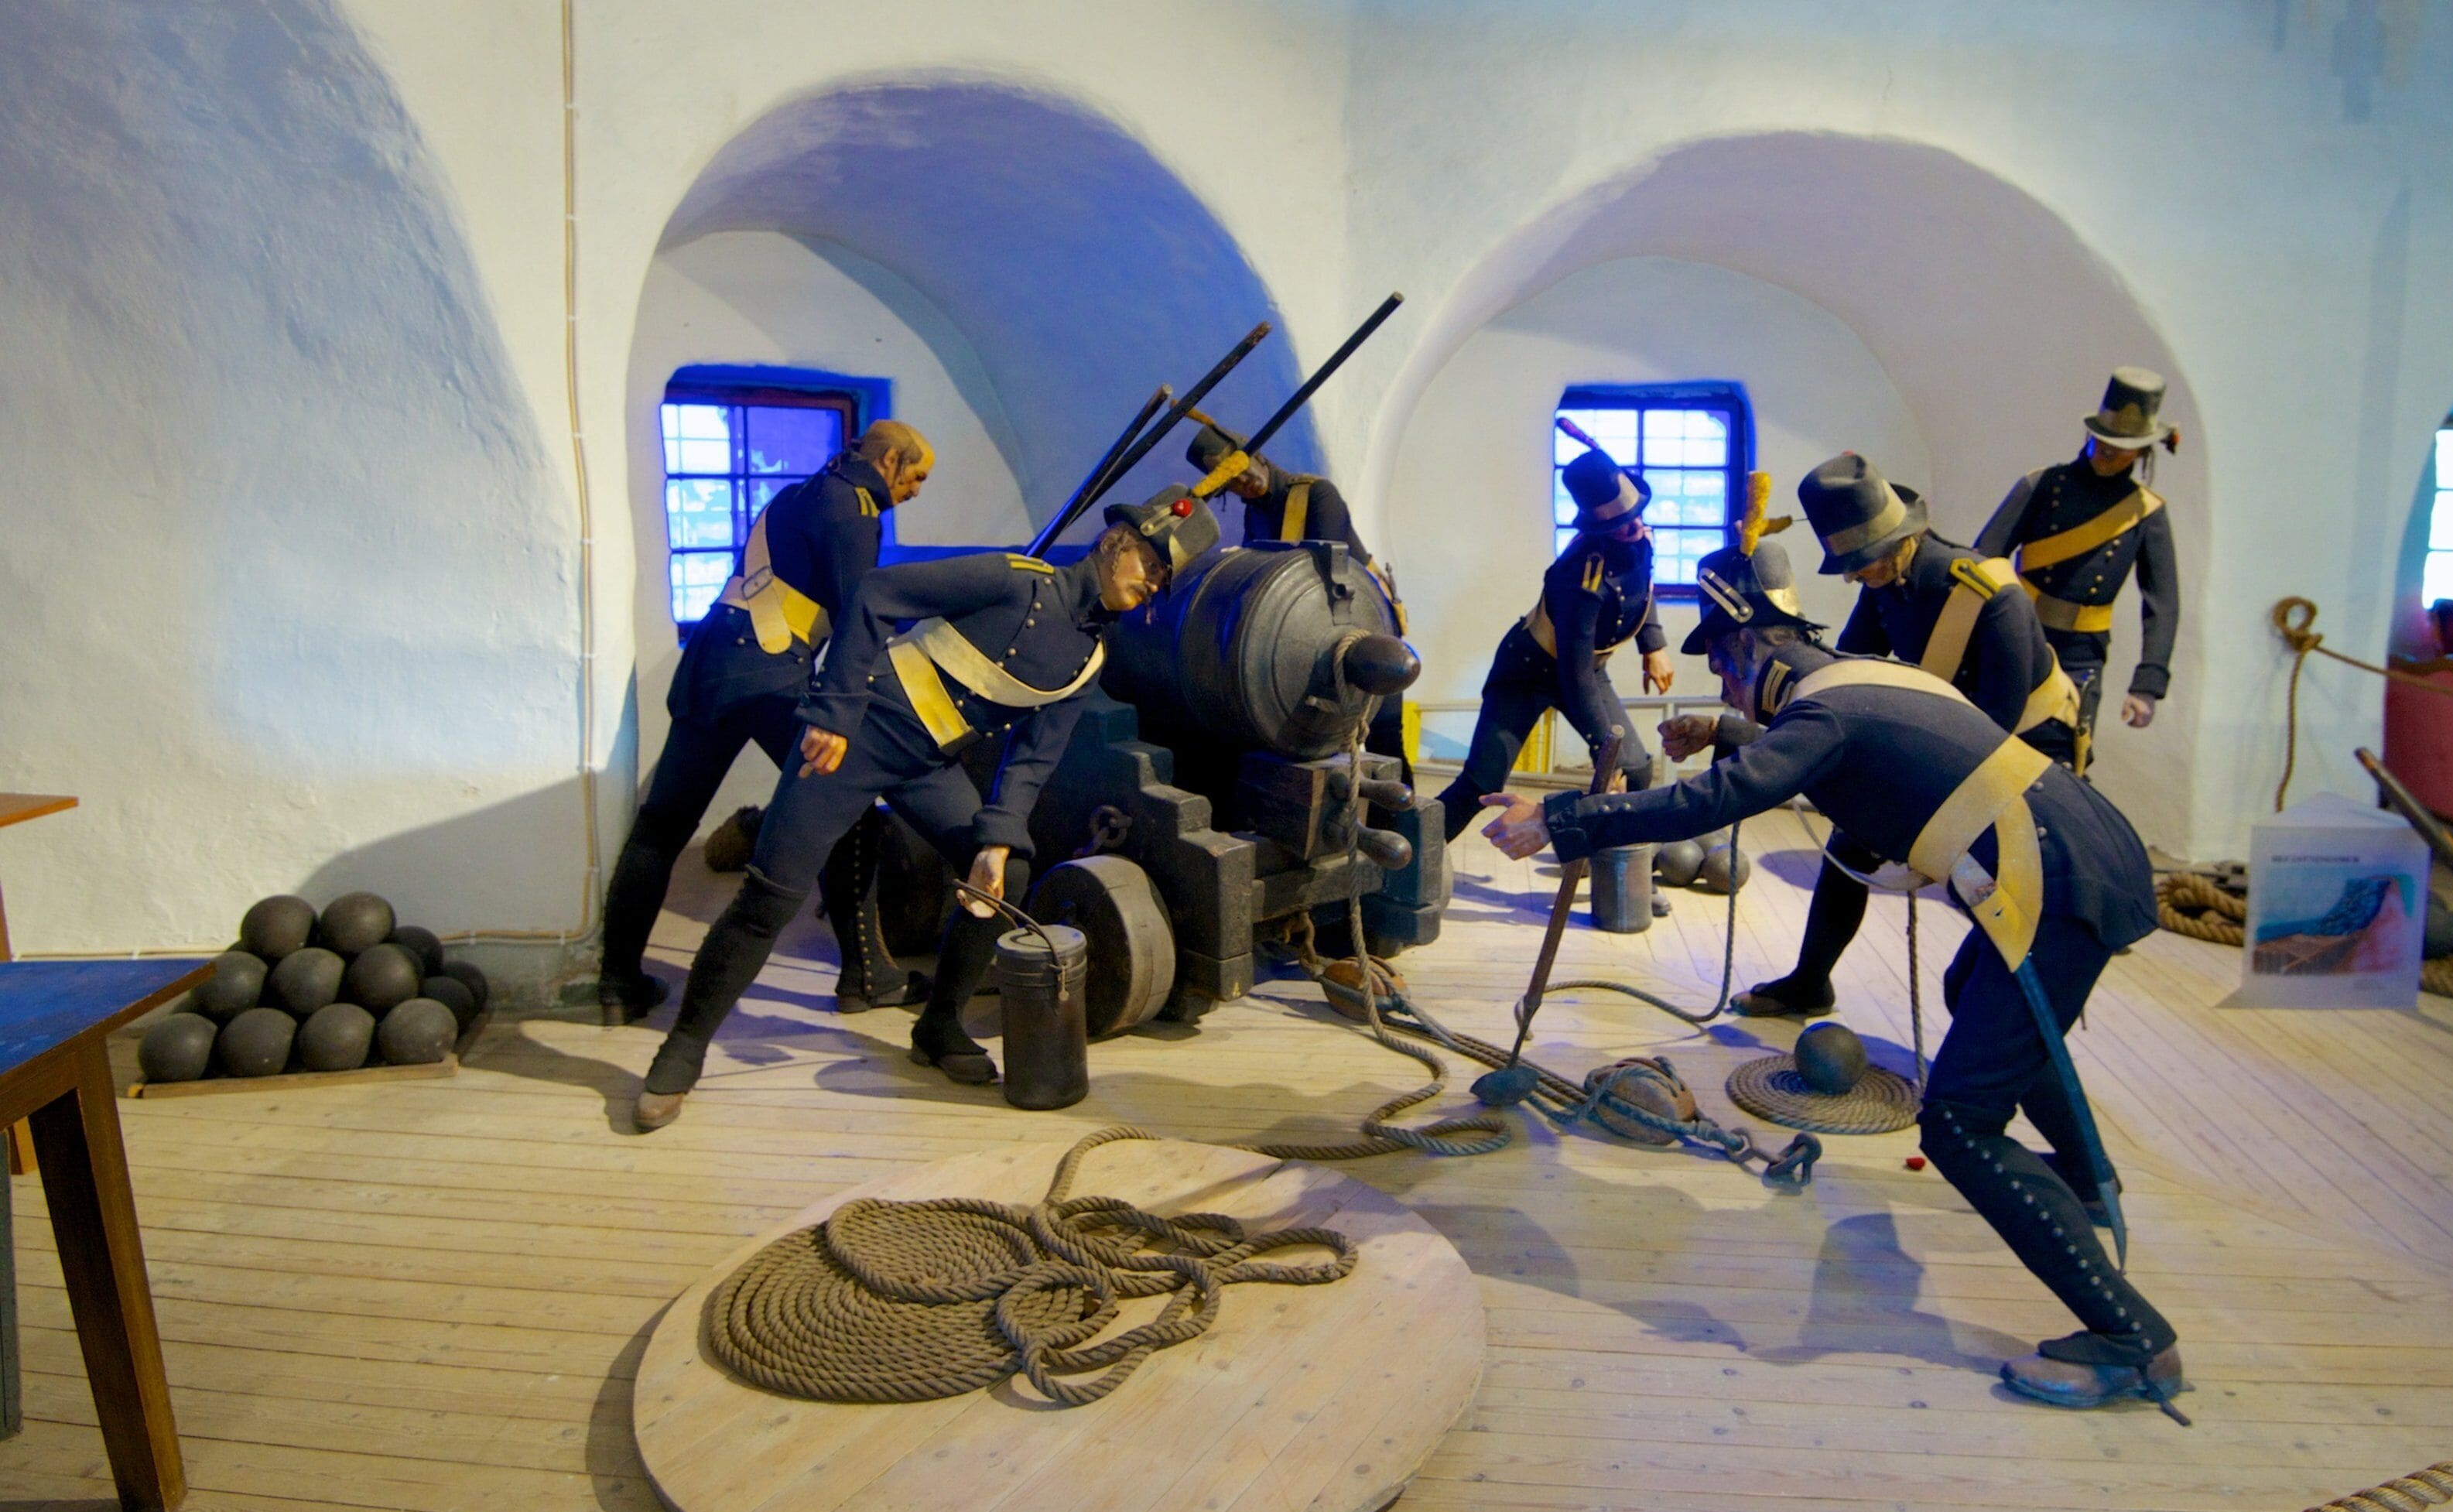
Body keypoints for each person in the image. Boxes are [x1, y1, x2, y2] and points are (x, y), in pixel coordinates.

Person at [1476, 543, 2181, 1414]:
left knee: (1960, 1127)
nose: (1728, 691)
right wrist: (1732, 734)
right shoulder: (1861, 676)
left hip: (2054, 887)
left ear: (1749, 654)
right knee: (1973, 1000)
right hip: (2090, 844)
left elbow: (1718, 802)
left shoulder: (1821, 714)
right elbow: (1855, 746)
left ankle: (2133, 1339)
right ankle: (2081, 1179)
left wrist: (1563, 817)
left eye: (1725, 672)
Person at [628, 490, 1209, 1132]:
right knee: (769, 900)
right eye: (1150, 564)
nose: (1153, 583)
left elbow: (1032, 761)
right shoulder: (1010, 579)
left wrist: (997, 839)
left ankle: (938, 1026)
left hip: (929, 764)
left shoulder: (1090, 659)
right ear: (1113, 544)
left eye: (1163, 578)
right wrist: (835, 712)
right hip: (854, 741)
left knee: (1006, 879)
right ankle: (681, 1050)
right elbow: (877, 594)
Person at [599, 419, 935, 1027]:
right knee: (848, 808)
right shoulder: (856, 509)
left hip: (711, 665)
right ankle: (867, 976)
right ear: (887, 462)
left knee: (659, 828)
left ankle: (617, 983)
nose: (916, 490)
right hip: (770, 673)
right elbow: (861, 616)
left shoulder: (798, 494)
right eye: (916, 476)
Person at [1730, 454, 2082, 1018]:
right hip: (1955, 731)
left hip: (2026, 747)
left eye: (1858, 561)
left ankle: (2003, 1015)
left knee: (1994, 883)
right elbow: (1845, 668)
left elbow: (1999, 718)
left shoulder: (1991, 595)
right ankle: (1811, 981)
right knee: (1851, 841)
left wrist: (1913, 793)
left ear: (1901, 540)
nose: (1850, 575)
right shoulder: (1884, 581)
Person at [1435, 444, 1673, 840]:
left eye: (1635, 516)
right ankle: (1405, 863)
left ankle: (1616, 874)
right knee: (1480, 784)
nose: (1633, 527)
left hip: (1587, 671)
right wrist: (1604, 749)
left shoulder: (1638, 540)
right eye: (1620, 523)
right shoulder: (1580, 576)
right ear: (1597, 527)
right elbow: (1574, 675)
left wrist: (1653, 644)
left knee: (1636, 770)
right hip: (1526, 675)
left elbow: (1642, 588)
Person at [1971, 368, 2184, 771]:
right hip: (2017, 633)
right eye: (2104, 440)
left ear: (2142, 452)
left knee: (2068, 763)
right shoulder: (2043, 485)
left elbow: (2163, 605)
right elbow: (1985, 560)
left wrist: (2147, 686)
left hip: (2082, 655)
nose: (2108, 451)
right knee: (1992, 754)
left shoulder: (2147, 513)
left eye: (2123, 446)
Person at [1186, 420, 1409, 759]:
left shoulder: (1317, 494)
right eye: (1231, 484)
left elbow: (1325, 567)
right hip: (1311, 632)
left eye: (1242, 472)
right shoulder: (1254, 516)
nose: (1243, 484)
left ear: (1257, 457)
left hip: (1361, 621)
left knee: (1386, 738)